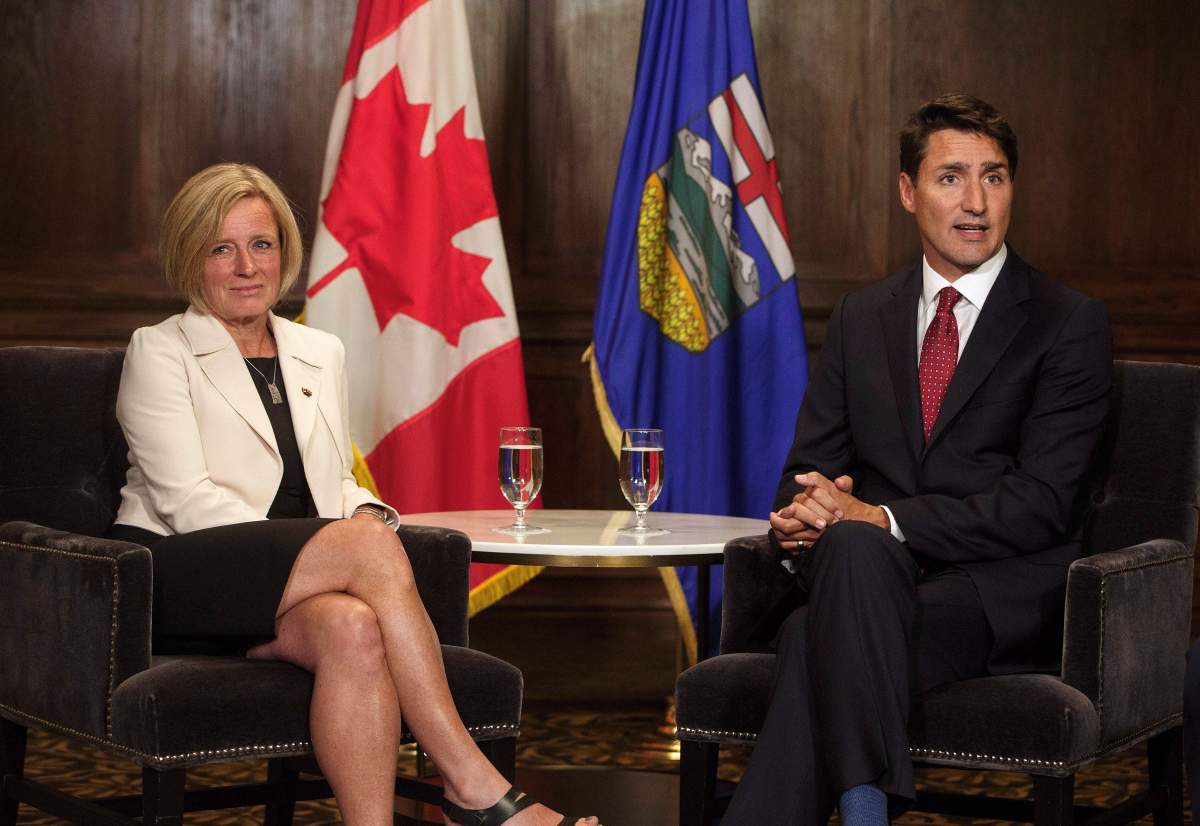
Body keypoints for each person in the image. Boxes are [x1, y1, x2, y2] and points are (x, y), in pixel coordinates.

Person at [106, 163, 597, 826]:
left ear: (284, 252)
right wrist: (336, 551)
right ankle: (470, 782)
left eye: (262, 243)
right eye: (222, 248)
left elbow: (330, 481)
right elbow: (188, 506)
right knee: (364, 551)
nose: (247, 265)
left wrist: (357, 521)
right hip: (184, 571)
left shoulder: (318, 351)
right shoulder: (158, 351)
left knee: (355, 629)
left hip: (290, 577)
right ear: (190, 257)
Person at [721, 94, 1113, 825]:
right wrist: (802, 517)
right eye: (950, 178)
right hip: (867, 579)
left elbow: (1042, 503)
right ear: (908, 191)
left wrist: (878, 519)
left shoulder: (1068, 323)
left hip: (997, 594)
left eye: (994, 178)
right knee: (852, 556)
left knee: (817, 630)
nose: (975, 203)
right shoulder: (861, 316)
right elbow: (808, 471)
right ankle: (866, 809)